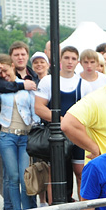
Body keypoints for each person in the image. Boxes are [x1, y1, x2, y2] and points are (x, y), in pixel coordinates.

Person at [0, 54, 38, 210]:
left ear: (13, 67)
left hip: (24, 136)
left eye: (6, 70)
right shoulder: (2, 87)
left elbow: (34, 111)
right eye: (1, 73)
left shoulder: (26, 86)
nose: (4, 75)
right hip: (7, 136)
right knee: (12, 177)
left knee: (24, 178)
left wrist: (36, 126)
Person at [35, 45, 85, 199]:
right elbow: (38, 108)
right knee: (55, 174)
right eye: (66, 58)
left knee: (80, 172)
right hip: (56, 133)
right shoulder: (48, 81)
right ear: (60, 60)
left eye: (73, 58)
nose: (70, 62)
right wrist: (63, 121)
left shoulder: (83, 83)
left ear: (78, 62)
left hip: (77, 135)